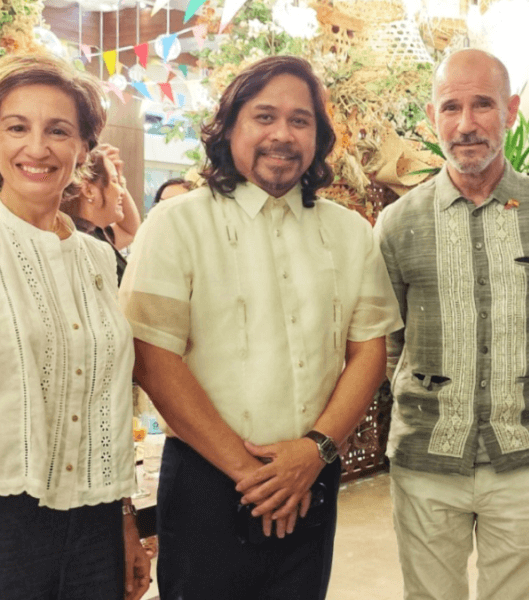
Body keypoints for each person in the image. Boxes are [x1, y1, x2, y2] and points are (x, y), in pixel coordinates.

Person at [119, 55, 402, 600]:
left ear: (318, 138)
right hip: (206, 479)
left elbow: (369, 348)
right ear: (230, 127)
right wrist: (252, 473)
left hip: (311, 475)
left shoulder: (349, 232)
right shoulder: (177, 224)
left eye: (301, 121)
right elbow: (153, 356)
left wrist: (313, 451)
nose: (282, 135)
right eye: (264, 116)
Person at [375, 48, 529, 600]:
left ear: (511, 110)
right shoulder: (397, 224)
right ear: (432, 117)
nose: (466, 124)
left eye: (482, 105)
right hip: (426, 463)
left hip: (528, 459)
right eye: (451, 107)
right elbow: (390, 345)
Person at [0, 54, 150, 600]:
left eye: (58, 130)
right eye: (17, 127)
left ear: (83, 149)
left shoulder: (98, 258)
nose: (36, 148)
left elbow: (106, 401)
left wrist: (125, 520)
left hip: (94, 522)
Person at [61, 143, 141, 284]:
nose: (122, 190)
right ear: (89, 190)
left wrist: (118, 177)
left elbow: (130, 230)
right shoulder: (77, 242)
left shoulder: (95, 233)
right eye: (115, 181)